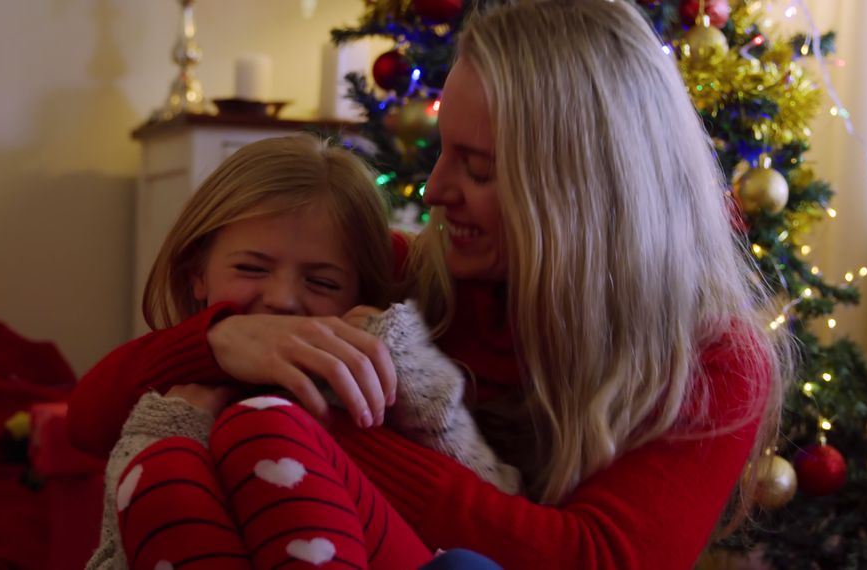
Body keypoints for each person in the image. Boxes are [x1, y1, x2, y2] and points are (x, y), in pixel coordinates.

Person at [70, 0, 789, 567]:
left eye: (478, 169)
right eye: (443, 154)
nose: (438, 189)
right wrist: (221, 339)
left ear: (581, 192)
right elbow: (89, 421)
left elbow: (596, 559)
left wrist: (322, 426)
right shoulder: (397, 274)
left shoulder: (714, 361)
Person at [84, 134, 516, 570]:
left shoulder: (395, 380)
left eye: (323, 283)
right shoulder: (172, 409)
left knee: (256, 428)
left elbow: (487, 486)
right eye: (252, 268)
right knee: (163, 469)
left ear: (358, 295)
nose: (283, 300)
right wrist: (211, 348)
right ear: (196, 273)